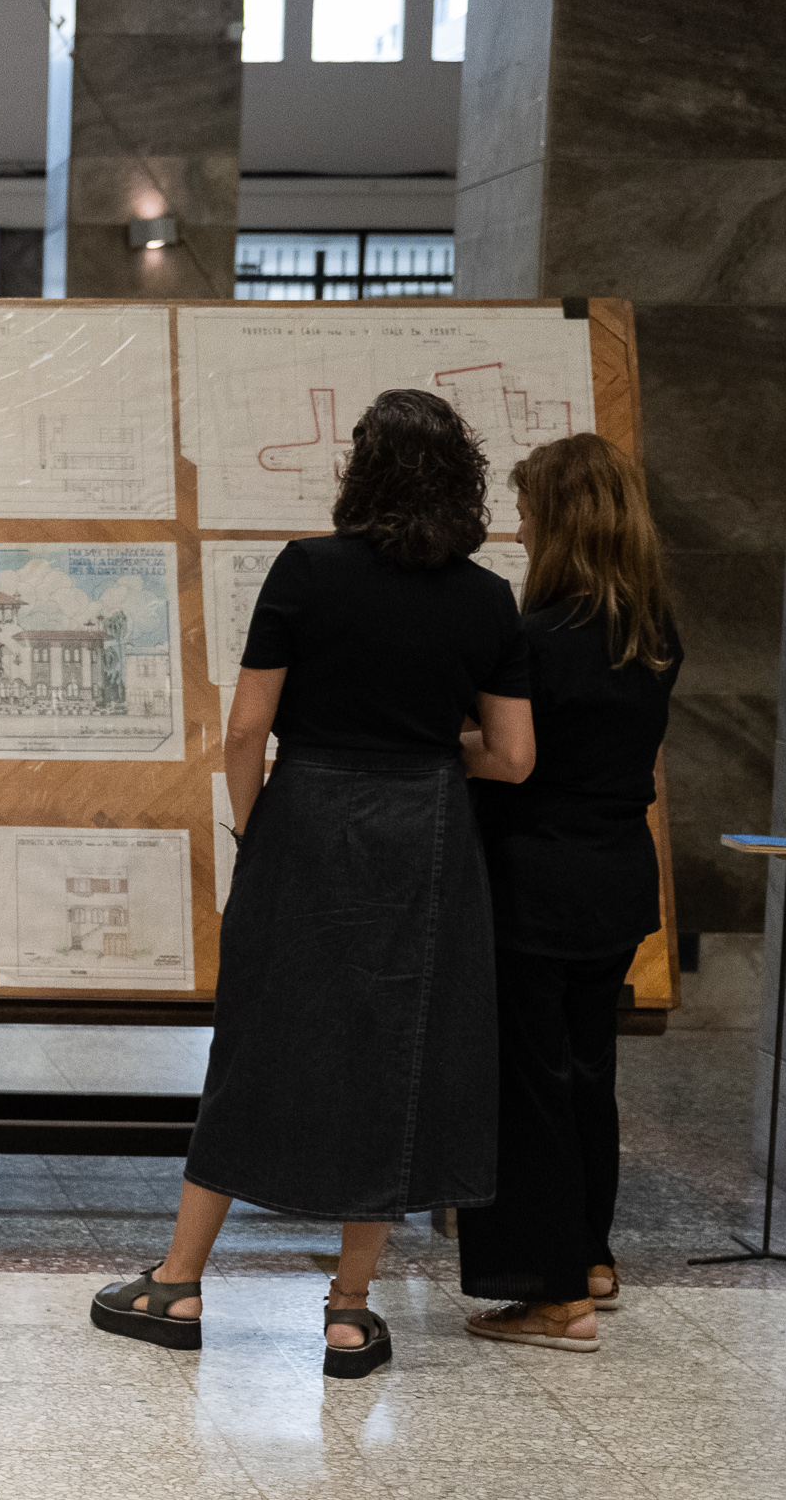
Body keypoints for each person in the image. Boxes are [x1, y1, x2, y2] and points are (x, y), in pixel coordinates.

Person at [90, 388, 536, 1376]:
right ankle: (348, 1311)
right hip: (424, 836)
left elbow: (246, 729)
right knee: (393, 1055)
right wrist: (428, 755)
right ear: (461, 480)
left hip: (307, 820)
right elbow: (513, 756)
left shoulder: (307, 569)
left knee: (256, 1043)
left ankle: (177, 1283)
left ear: (360, 470)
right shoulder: (485, 597)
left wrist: (258, 828)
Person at [455, 434, 680, 1350]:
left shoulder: (536, 640)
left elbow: (511, 759)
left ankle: (552, 1296)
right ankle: (590, 1255)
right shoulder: (653, 636)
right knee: (588, 1071)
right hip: (617, 875)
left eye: (527, 513)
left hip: (536, 879)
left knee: (528, 1087)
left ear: (560, 522)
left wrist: (448, 748)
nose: (519, 529)